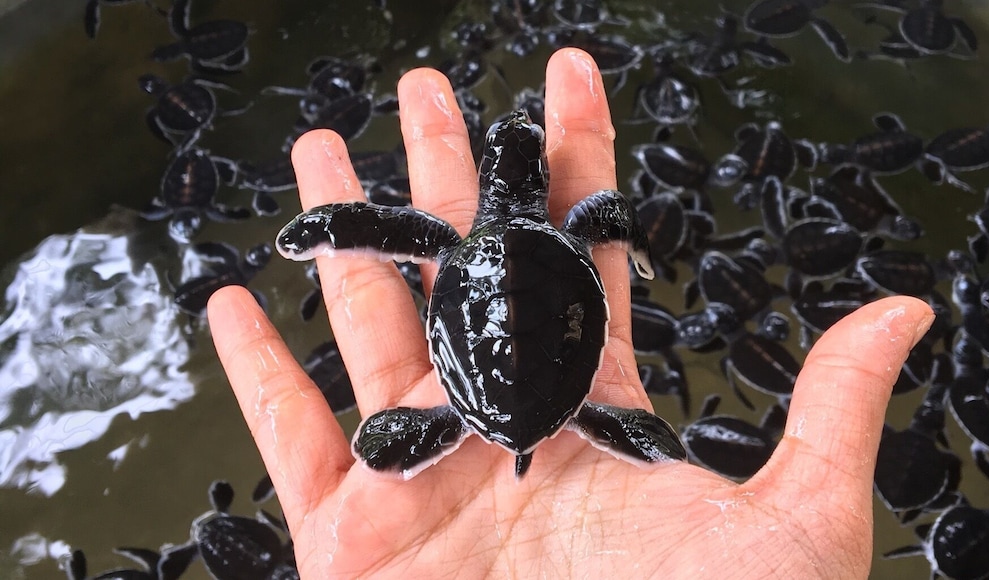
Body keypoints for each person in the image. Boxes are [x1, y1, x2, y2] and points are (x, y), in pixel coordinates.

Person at [207, 47, 934, 578]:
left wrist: (327, 227)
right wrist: (637, 248)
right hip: (566, 386)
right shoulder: (578, 225)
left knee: (385, 419)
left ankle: (458, 421)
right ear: (540, 179)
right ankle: (585, 423)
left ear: (491, 181)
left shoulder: (445, 241)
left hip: (475, 395)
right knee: (592, 236)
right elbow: (613, 213)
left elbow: (386, 226)